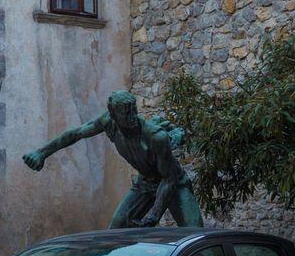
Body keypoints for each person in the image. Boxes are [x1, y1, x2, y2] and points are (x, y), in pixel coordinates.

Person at [22, 90, 203, 228]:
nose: (132, 117)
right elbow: (76, 134)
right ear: (114, 114)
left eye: (133, 111)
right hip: (145, 183)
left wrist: (154, 215)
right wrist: (41, 153)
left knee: (196, 236)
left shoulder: (155, 136)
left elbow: (168, 179)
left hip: (174, 182)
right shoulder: (108, 122)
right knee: (116, 231)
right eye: (126, 113)